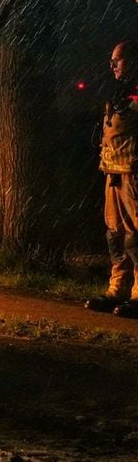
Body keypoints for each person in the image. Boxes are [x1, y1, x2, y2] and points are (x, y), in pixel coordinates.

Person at [87, 40, 138, 318]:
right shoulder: (120, 93)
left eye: (117, 59)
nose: (112, 65)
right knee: (115, 234)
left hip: (134, 173)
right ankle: (118, 289)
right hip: (113, 173)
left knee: (135, 235)